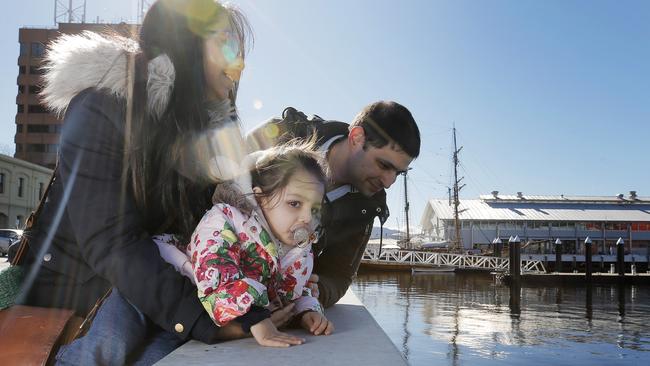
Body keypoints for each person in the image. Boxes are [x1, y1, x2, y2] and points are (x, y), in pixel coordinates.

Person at [19, 0, 264, 363]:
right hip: (73, 295)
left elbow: (205, 238)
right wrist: (198, 316)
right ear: (187, 44)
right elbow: (111, 240)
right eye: (228, 46)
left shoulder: (203, 136)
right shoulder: (102, 107)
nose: (239, 65)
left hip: (143, 293)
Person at [59, 140, 333, 363]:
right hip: (161, 284)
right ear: (260, 197)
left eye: (315, 209)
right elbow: (216, 268)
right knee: (111, 342)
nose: (307, 218)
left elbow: (292, 289)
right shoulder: (227, 219)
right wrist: (254, 319)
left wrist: (306, 310)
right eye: (295, 203)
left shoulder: (297, 252)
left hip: (194, 312)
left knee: (160, 357)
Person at [248, 101, 421, 307]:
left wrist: (318, 290)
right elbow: (209, 184)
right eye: (384, 165)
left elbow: (338, 275)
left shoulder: (366, 208)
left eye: (398, 173)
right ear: (357, 137)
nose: (389, 182)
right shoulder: (281, 133)